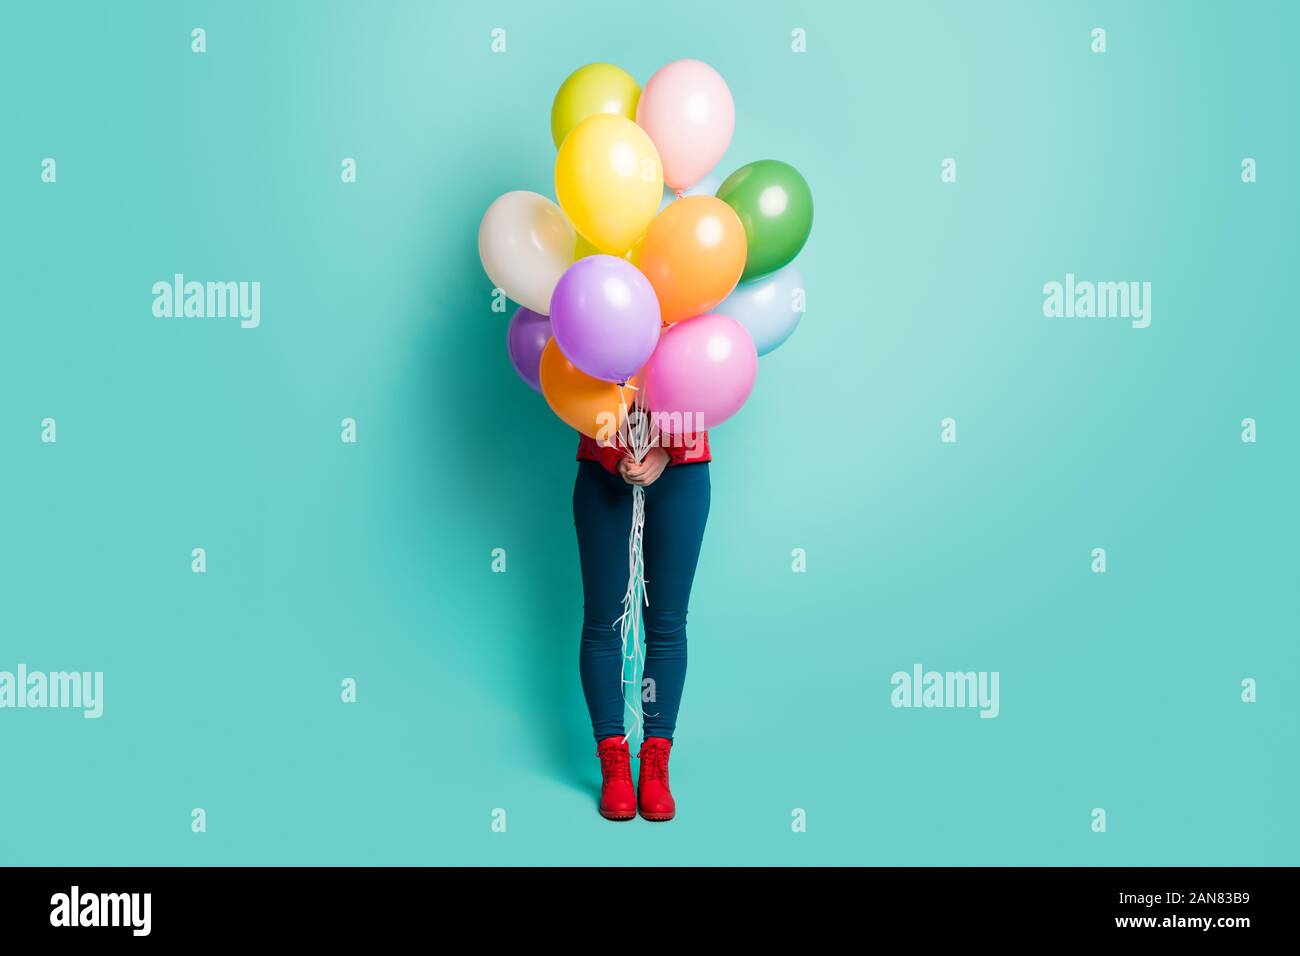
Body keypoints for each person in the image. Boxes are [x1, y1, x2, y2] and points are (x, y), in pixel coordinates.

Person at [571, 423, 711, 821]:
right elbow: (578, 378)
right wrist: (614, 455)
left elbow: (707, 374)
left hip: (682, 471)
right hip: (602, 468)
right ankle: (613, 757)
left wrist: (668, 450)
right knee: (603, 621)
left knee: (667, 625)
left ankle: (655, 761)